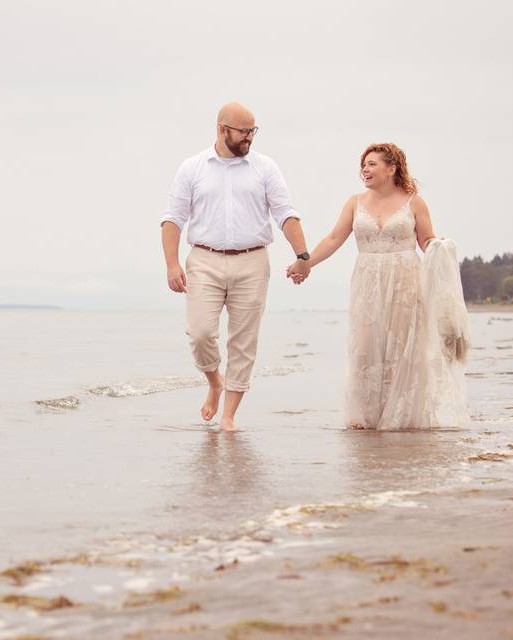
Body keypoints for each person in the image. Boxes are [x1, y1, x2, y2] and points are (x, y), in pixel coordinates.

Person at [294, 143, 468, 429]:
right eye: (363, 164)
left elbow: (426, 241)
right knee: (366, 346)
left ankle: (402, 413)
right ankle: (365, 414)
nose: (365, 169)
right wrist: (306, 263)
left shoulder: (414, 202)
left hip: (405, 280)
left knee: (402, 348)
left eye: (372, 164)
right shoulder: (354, 203)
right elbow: (334, 239)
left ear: (392, 168)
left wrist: (438, 246)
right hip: (367, 281)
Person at [161, 102, 311, 431]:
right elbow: (173, 219)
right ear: (222, 129)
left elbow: (286, 213)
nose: (249, 138)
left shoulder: (266, 168)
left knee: (243, 341)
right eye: (243, 132)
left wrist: (302, 255)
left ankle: (228, 415)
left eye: (252, 131)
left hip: (253, 261)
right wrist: (172, 265)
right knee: (200, 334)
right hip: (204, 259)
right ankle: (215, 380)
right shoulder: (192, 167)